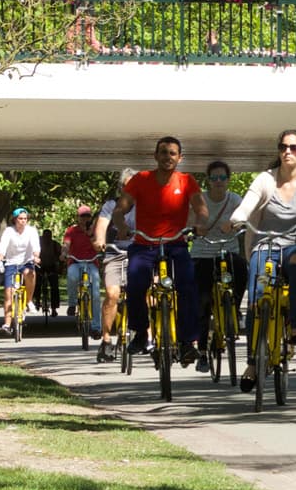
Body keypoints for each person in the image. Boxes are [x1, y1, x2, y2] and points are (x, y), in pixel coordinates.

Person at [231, 129, 296, 392]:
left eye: (294, 148)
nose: (287, 151)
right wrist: (238, 218)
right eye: (283, 147)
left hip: (294, 245)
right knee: (256, 301)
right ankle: (253, 364)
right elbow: (248, 204)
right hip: (264, 245)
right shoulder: (266, 179)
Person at [99, 137, 208, 364]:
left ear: (180, 158)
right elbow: (120, 209)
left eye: (172, 153)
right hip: (144, 243)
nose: (168, 157)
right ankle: (140, 332)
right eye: (163, 152)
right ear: (155, 156)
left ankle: (187, 342)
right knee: (135, 284)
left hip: (175, 243)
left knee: (188, 286)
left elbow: (201, 208)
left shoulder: (186, 181)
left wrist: (200, 223)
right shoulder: (141, 179)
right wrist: (121, 226)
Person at [190, 159, 248, 373]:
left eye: (222, 177)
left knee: (241, 268)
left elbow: (244, 218)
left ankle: (235, 309)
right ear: (208, 180)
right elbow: (189, 221)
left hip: (227, 251)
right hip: (203, 253)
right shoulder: (200, 199)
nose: (218, 181)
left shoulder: (235, 200)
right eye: (214, 178)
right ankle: (202, 353)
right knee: (203, 303)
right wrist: (197, 227)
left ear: (228, 179)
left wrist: (234, 224)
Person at [92, 169, 137, 359]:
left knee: (147, 294)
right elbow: (102, 225)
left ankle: (147, 334)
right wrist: (99, 240)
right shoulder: (111, 205)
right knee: (112, 295)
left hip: (139, 253)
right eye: (127, 186)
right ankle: (106, 339)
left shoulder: (146, 205)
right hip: (115, 252)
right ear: (121, 188)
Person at [0, 207, 40, 334]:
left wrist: (36, 256)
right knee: (8, 294)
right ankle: (7, 324)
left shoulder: (31, 231)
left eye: (25, 218)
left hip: (27, 262)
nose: (23, 221)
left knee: (30, 273)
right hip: (11, 263)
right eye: (20, 218)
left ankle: (29, 301)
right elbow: (3, 245)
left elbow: (35, 245)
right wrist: (0, 256)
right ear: (15, 219)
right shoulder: (9, 231)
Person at [62, 205, 103, 338]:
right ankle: (72, 304)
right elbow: (66, 244)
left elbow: (100, 245)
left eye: (87, 216)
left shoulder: (96, 230)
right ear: (78, 217)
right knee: (72, 276)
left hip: (91, 262)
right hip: (75, 261)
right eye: (82, 216)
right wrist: (64, 253)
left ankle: (96, 328)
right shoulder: (71, 230)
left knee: (95, 294)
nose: (85, 219)